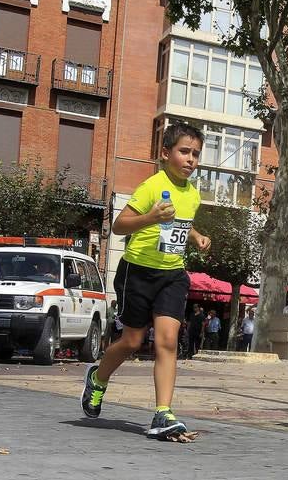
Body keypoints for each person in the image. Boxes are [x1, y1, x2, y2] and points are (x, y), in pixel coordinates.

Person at [80, 122, 211, 439]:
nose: (190, 159)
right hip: (137, 272)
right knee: (132, 341)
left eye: (195, 154)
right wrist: (150, 217)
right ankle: (98, 378)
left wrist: (195, 236)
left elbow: (178, 223)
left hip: (173, 274)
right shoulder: (152, 186)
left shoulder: (192, 194)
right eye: (184, 151)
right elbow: (119, 225)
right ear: (166, 153)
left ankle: (163, 412)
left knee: (167, 341)